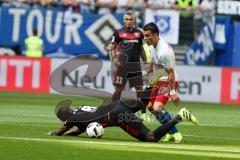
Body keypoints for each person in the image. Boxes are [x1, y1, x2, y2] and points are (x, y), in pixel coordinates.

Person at [49, 99, 198, 142]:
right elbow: (77, 131)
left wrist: (54, 133)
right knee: (147, 102)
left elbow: (62, 131)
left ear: (65, 117)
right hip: (119, 104)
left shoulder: (71, 119)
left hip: (117, 116)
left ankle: (179, 116)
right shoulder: (81, 109)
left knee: (150, 138)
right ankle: (157, 93)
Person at [143, 22, 183, 142]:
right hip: (159, 79)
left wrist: (172, 92)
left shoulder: (164, 51)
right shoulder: (151, 45)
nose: (146, 38)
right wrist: (149, 78)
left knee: (157, 108)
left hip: (169, 80)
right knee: (150, 107)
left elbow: (170, 72)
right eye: (144, 35)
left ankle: (176, 133)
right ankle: (171, 132)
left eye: (148, 35)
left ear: (156, 35)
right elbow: (154, 64)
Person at [111, 10, 147, 115]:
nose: (129, 21)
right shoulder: (118, 33)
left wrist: (146, 62)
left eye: (131, 19)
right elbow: (113, 48)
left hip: (136, 65)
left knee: (140, 90)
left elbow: (141, 49)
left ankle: (143, 113)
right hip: (123, 66)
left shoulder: (139, 33)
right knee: (118, 90)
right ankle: (113, 110)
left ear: (134, 20)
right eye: (127, 19)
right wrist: (115, 59)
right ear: (124, 20)